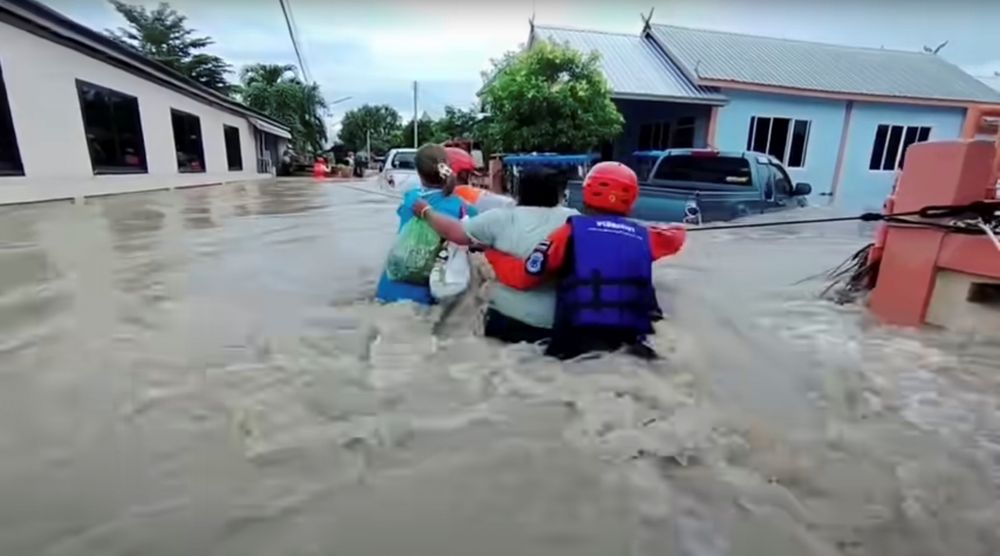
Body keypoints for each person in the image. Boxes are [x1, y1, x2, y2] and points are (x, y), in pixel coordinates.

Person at [484, 162, 687, 359]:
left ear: (586, 193)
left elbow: (524, 278)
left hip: (576, 345)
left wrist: (493, 255)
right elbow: (676, 237)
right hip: (631, 343)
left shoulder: (568, 233)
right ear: (633, 198)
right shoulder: (646, 237)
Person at [412, 166, 578, 343]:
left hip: (506, 318)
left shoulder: (500, 219)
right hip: (556, 322)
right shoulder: (573, 219)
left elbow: (456, 233)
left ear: (519, 191)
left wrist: (426, 212)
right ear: (558, 194)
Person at [375, 144, 477, 305]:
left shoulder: (411, 198)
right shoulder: (460, 206)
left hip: (388, 289)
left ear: (418, 171)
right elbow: (480, 228)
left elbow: (403, 210)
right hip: (425, 294)